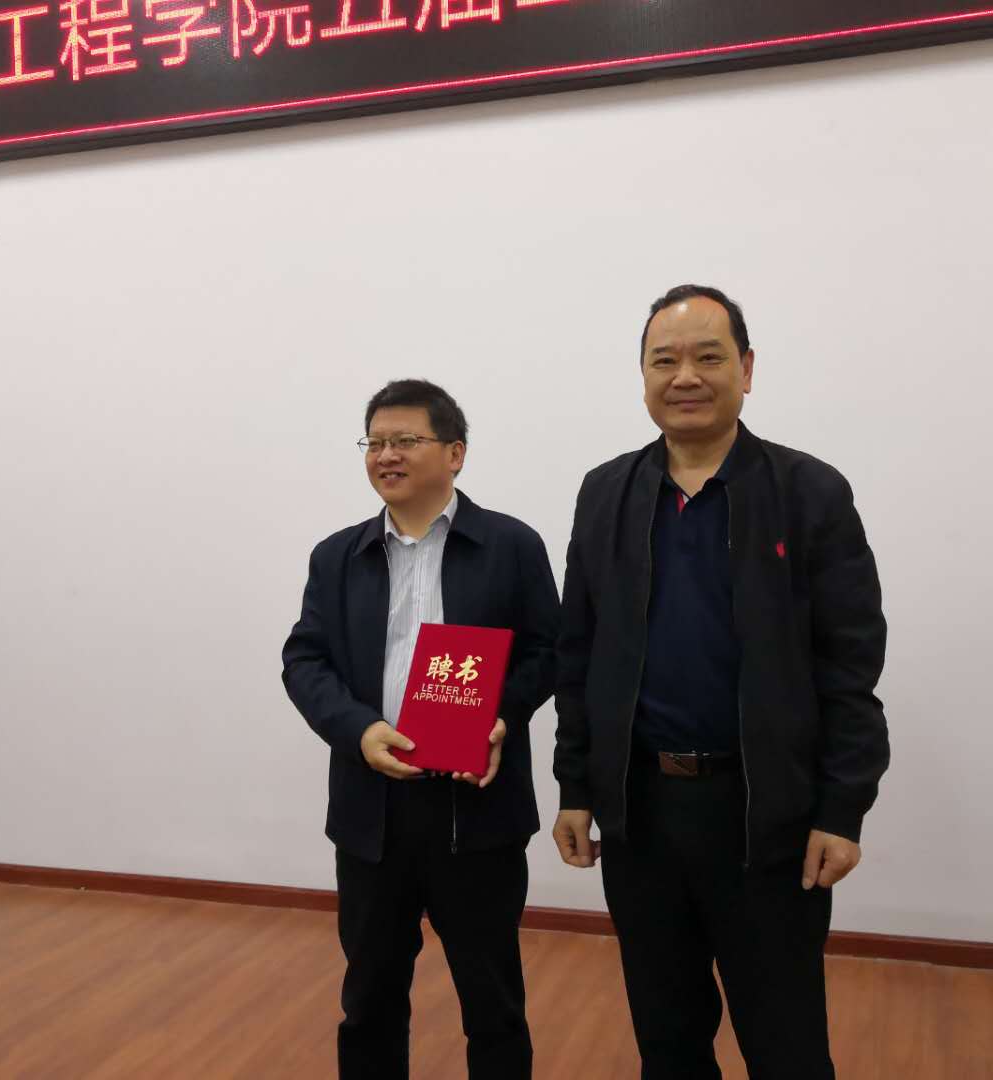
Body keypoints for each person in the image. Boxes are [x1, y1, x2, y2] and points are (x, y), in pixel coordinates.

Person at [551, 285, 890, 1079]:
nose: (685, 376)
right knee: (667, 1038)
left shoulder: (808, 492)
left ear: (746, 368)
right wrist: (575, 786)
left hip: (765, 815)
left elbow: (850, 666)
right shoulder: (606, 493)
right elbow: (580, 653)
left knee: (786, 1043)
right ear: (642, 375)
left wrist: (842, 809)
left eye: (708, 357)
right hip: (641, 813)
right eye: (663, 360)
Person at [282, 378, 559, 1080]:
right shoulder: (336, 556)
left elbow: (549, 651)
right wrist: (358, 730)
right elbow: (305, 660)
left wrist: (501, 717)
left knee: (493, 1001)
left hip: (477, 808)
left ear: (455, 453)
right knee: (369, 998)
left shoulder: (510, 545)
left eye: (406, 440)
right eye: (374, 442)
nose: (386, 455)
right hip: (371, 810)